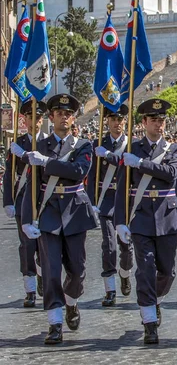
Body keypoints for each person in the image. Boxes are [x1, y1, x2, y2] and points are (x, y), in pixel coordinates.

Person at [20, 94, 97, 344]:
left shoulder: (84, 145)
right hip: (48, 214)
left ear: (73, 117)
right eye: (59, 113)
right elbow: (32, 186)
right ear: (51, 117)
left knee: (77, 271)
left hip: (75, 212)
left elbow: (78, 171)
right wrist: (26, 219)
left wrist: (48, 163)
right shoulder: (39, 147)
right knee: (51, 270)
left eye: (68, 113)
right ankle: (54, 322)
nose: (64, 116)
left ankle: (72, 303)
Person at [114, 99, 177, 344]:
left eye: (162, 120)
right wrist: (120, 221)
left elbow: (172, 174)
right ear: (144, 122)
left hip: (167, 217)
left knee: (167, 271)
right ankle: (148, 321)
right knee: (145, 268)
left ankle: (154, 301)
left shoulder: (174, 149)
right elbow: (123, 189)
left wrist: (142, 164)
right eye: (153, 120)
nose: (159, 124)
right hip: (141, 217)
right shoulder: (131, 149)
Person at [87, 105, 134, 306]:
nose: (117, 123)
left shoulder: (132, 144)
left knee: (127, 247)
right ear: (106, 121)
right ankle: (110, 289)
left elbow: (127, 165)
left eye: (120, 119)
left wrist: (107, 155)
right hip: (105, 200)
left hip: (125, 200)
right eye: (113, 119)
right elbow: (91, 175)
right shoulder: (98, 143)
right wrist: (92, 202)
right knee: (109, 246)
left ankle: (124, 273)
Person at [3, 101, 47, 307]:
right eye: (30, 118)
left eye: (38, 118)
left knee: (45, 245)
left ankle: (43, 276)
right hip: (23, 201)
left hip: (45, 202)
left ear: (42, 120)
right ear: (24, 120)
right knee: (27, 246)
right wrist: (8, 202)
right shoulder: (17, 143)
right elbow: (9, 176)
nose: (34, 122)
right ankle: (29, 288)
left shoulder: (49, 143)